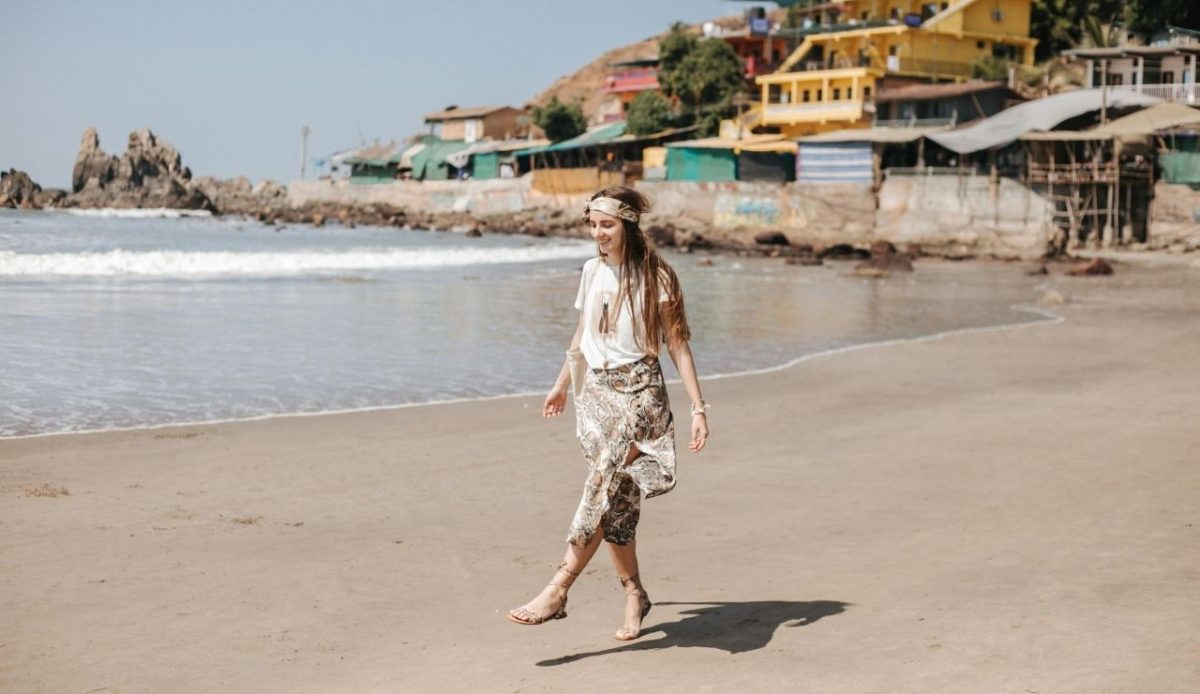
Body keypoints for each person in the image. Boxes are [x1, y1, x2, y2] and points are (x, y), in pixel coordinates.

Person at [507, 186, 709, 641]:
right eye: (592, 224)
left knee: (600, 486)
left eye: (607, 225)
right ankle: (634, 591)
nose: (598, 233)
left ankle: (558, 588)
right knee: (616, 499)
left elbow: (677, 344)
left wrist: (698, 408)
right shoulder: (590, 271)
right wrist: (561, 385)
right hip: (595, 396)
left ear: (628, 225)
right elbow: (582, 333)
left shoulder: (657, 277)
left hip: (641, 397)